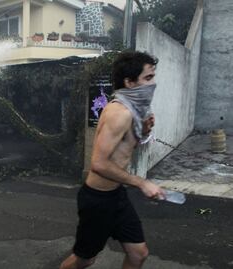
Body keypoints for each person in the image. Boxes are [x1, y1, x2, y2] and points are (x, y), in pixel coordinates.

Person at [60, 51, 165, 269]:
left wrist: (143, 131)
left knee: (138, 254)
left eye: (153, 77)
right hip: (97, 201)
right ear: (129, 82)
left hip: (116, 195)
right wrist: (141, 182)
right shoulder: (119, 113)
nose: (153, 84)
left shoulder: (134, 111)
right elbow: (98, 164)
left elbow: (123, 151)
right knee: (85, 259)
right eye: (148, 78)